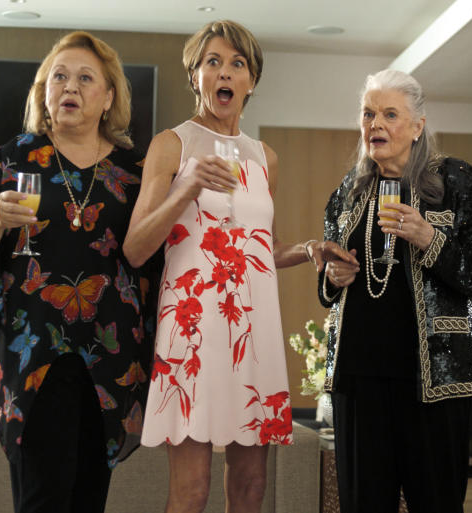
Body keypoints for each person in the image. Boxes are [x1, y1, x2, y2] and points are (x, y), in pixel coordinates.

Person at [122, 20, 327, 513]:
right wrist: (188, 185)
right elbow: (135, 247)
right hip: (192, 332)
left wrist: (308, 251)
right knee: (192, 491)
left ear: (251, 80)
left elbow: (261, 248)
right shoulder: (172, 145)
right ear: (195, 76)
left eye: (237, 63)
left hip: (251, 335)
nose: (225, 72)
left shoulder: (265, 159)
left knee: (252, 483)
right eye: (212, 62)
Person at [0, 31, 159, 513]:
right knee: (42, 500)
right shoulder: (13, 158)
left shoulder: (135, 170)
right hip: (34, 355)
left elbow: (159, 255)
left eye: (86, 78)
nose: (70, 86)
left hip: (110, 357)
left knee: (88, 501)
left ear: (108, 97)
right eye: (59, 76)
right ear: (43, 92)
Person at [318, 69, 472, 512]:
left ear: (418, 126)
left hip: (435, 383)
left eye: (389, 114)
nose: (375, 124)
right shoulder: (347, 192)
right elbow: (330, 275)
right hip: (358, 380)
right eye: (368, 114)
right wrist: (331, 279)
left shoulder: (461, 183)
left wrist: (431, 240)